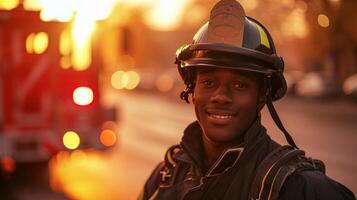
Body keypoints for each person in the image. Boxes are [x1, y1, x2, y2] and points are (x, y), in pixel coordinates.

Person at [139, 0, 356, 199]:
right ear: (191, 89)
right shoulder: (165, 177)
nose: (221, 96)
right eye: (208, 83)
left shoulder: (305, 190)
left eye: (240, 85)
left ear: (262, 96)